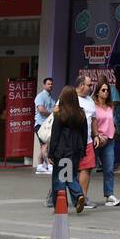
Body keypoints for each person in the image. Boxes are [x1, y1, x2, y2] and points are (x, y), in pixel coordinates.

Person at [48, 86, 89, 214]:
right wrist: (83, 150)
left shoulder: (60, 113)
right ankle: (78, 196)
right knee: (70, 175)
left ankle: (62, 205)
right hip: (76, 149)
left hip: (62, 149)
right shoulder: (81, 113)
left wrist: (51, 152)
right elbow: (84, 133)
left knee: (60, 177)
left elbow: (55, 135)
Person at [90, 78, 120, 206]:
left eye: (107, 90)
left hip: (109, 139)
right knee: (88, 168)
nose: (106, 92)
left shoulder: (110, 106)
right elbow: (92, 122)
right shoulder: (92, 105)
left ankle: (109, 194)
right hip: (96, 139)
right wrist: (96, 135)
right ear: (97, 92)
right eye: (103, 90)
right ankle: (81, 194)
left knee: (109, 168)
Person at [34, 77, 57, 174]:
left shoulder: (52, 97)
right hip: (40, 125)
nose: (50, 85)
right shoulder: (40, 96)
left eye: (51, 84)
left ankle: (39, 166)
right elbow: (41, 110)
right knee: (45, 146)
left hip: (48, 125)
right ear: (44, 85)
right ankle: (49, 165)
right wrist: (52, 113)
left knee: (44, 146)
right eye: (48, 84)